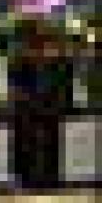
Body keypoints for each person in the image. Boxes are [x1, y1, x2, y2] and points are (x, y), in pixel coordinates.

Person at [8, 19, 73, 191]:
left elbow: (63, 87)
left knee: (50, 143)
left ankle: (48, 179)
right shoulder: (20, 64)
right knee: (27, 143)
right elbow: (15, 89)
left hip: (47, 108)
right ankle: (27, 179)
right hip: (28, 109)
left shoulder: (58, 64)